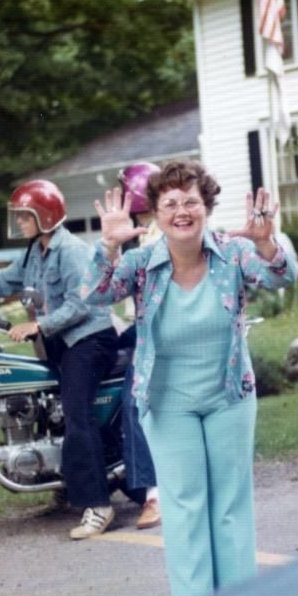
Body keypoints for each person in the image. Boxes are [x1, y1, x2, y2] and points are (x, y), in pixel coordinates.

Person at [85, 160, 298, 596]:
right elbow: (95, 293)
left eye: (190, 202)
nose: (181, 211)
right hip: (167, 402)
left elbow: (282, 275)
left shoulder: (233, 253)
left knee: (230, 505)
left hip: (229, 397)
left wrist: (266, 242)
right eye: (170, 204)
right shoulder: (141, 263)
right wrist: (108, 245)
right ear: (155, 213)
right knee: (184, 507)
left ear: (207, 207)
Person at [0, 179, 127, 539]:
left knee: (77, 415)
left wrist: (38, 325)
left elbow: (81, 303)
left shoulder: (71, 250)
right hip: (59, 342)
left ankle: (98, 506)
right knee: (48, 410)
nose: (20, 222)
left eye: (25, 216)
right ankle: (64, 480)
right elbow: (1, 282)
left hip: (88, 340)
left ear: (45, 217)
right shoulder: (33, 253)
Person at [115, 161, 163, 529]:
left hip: (161, 332)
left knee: (133, 400)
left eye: (123, 191)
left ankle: (153, 494)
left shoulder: (159, 235)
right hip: (143, 326)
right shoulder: (139, 235)